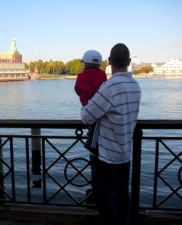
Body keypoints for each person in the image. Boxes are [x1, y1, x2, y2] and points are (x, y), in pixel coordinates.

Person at [80, 43, 141, 225]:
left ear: (109, 61)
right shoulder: (135, 86)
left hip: (106, 154)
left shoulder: (110, 86)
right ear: (129, 62)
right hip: (125, 151)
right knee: (122, 196)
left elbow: (86, 116)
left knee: (106, 200)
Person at [74, 50, 107, 155]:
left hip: (86, 105)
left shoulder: (81, 76)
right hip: (99, 105)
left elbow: (77, 89)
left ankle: (91, 144)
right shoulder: (102, 75)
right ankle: (92, 144)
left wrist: (83, 96)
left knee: (92, 125)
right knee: (96, 125)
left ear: (85, 63)